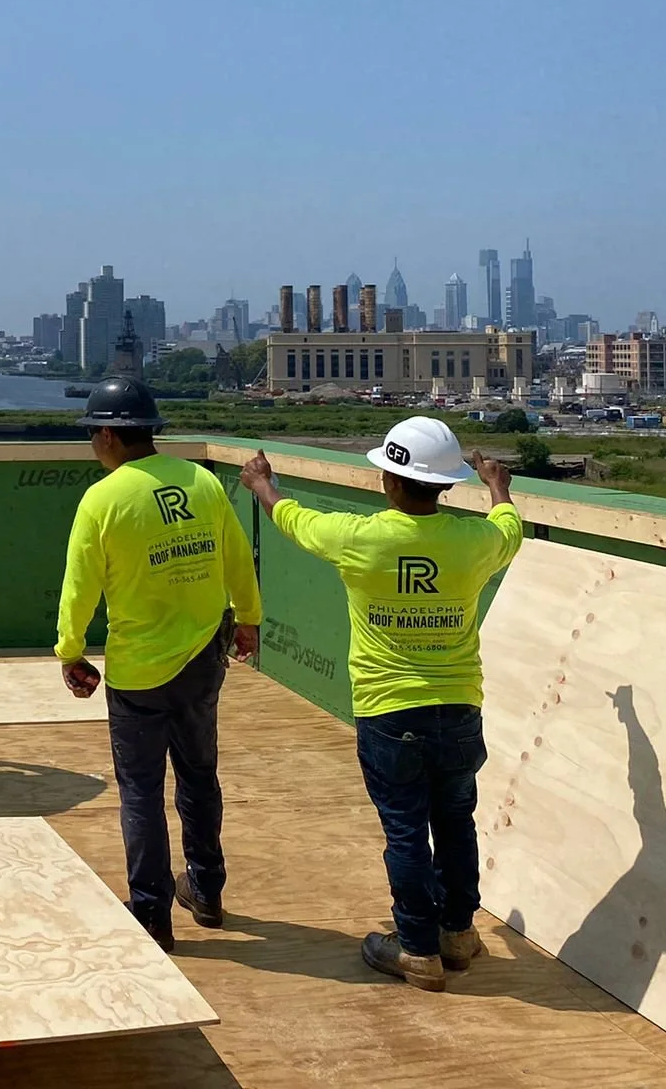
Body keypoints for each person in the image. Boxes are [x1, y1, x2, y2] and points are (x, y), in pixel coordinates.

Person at [239, 416, 521, 991]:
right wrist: (497, 486)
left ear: (389, 480)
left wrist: (263, 484)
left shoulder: (359, 538)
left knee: (406, 832)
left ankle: (416, 948)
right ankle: (457, 933)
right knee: (456, 823)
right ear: (445, 485)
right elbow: (509, 529)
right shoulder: (474, 543)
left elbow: (292, 519)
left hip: (389, 713)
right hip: (458, 710)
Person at [55, 376, 261, 952]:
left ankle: (151, 913)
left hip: (139, 671)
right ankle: (207, 890)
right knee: (199, 775)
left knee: (141, 791)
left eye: (92, 434)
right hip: (203, 659)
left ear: (107, 436)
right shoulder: (201, 481)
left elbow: (79, 587)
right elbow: (236, 555)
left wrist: (70, 650)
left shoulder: (103, 500)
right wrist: (248, 616)